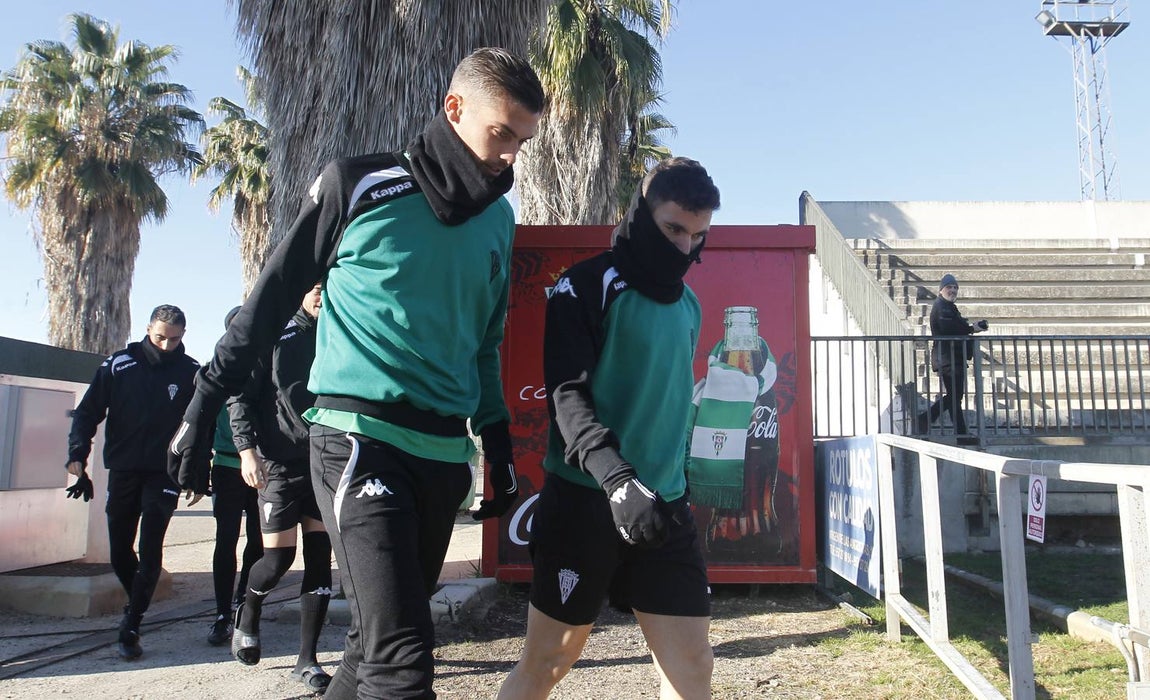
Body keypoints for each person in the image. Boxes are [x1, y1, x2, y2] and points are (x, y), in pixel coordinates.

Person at [168, 47, 545, 698]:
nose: (511, 155)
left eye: (523, 141)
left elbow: (485, 341)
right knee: (403, 664)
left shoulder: (499, 220)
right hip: (357, 442)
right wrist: (204, 402)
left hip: (442, 457)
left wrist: (498, 439)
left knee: (369, 651)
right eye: (501, 134)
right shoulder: (360, 185)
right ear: (455, 110)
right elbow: (269, 301)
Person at [497, 157, 721, 700]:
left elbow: (664, 407)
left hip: (664, 509)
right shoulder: (585, 286)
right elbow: (566, 398)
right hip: (586, 503)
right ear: (642, 211)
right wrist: (617, 480)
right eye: (673, 228)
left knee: (692, 666)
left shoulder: (688, 304)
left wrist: (670, 488)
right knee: (549, 661)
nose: (684, 247)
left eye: (697, 236)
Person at [66, 304, 201, 660]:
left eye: (174, 339)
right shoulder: (118, 365)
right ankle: (136, 599)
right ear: (148, 329)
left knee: (152, 544)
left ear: (183, 335)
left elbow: (201, 428)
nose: (166, 345)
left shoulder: (191, 372)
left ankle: (132, 624)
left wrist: (195, 472)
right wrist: (77, 455)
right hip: (124, 470)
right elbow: (87, 412)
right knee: (120, 551)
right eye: (160, 337)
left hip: (164, 473)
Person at [227, 283, 333, 693]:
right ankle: (248, 611)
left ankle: (307, 660)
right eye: (315, 289)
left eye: (328, 289)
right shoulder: (275, 336)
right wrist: (246, 451)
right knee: (278, 560)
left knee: (321, 559)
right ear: (302, 291)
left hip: (325, 464)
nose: (322, 297)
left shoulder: (341, 333)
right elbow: (241, 397)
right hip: (277, 465)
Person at [206, 307, 263, 646]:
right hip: (227, 465)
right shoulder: (218, 370)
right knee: (226, 538)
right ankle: (221, 612)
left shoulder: (269, 361)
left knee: (259, 541)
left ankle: (245, 602)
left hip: (265, 468)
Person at [916, 273, 988, 435]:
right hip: (948, 358)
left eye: (955, 287)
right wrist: (971, 328)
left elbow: (956, 326)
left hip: (952, 357)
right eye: (949, 287)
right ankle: (926, 418)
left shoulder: (948, 306)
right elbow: (950, 328)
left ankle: (960, 434)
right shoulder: (941, 306)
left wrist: (971, 327)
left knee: (955, 398)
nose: (953, 290)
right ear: (941, 290)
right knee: (955, 396)